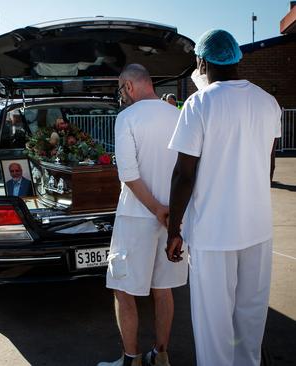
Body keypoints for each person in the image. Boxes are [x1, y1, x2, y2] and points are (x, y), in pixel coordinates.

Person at [166, 30, 281, 366]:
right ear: (236, 59)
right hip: (257, 229)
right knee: (251, 318)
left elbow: (183, 175)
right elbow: (268, 165)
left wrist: (174, 230)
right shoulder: (267, 102)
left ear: (202, 61)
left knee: (213, 324)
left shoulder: (198, 105)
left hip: (214, 234)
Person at [98, 64, 187, 366]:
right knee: (163, 290)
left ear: (130, 86)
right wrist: (170, 213)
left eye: (122, 90)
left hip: (137, 218)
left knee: (124, 291)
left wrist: (156, 210)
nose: (122, 96)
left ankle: (130, 360)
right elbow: (188, 171)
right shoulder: (178, 116)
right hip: (173, 219)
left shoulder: (127, 118)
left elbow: (129, 174)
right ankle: (160, 355)